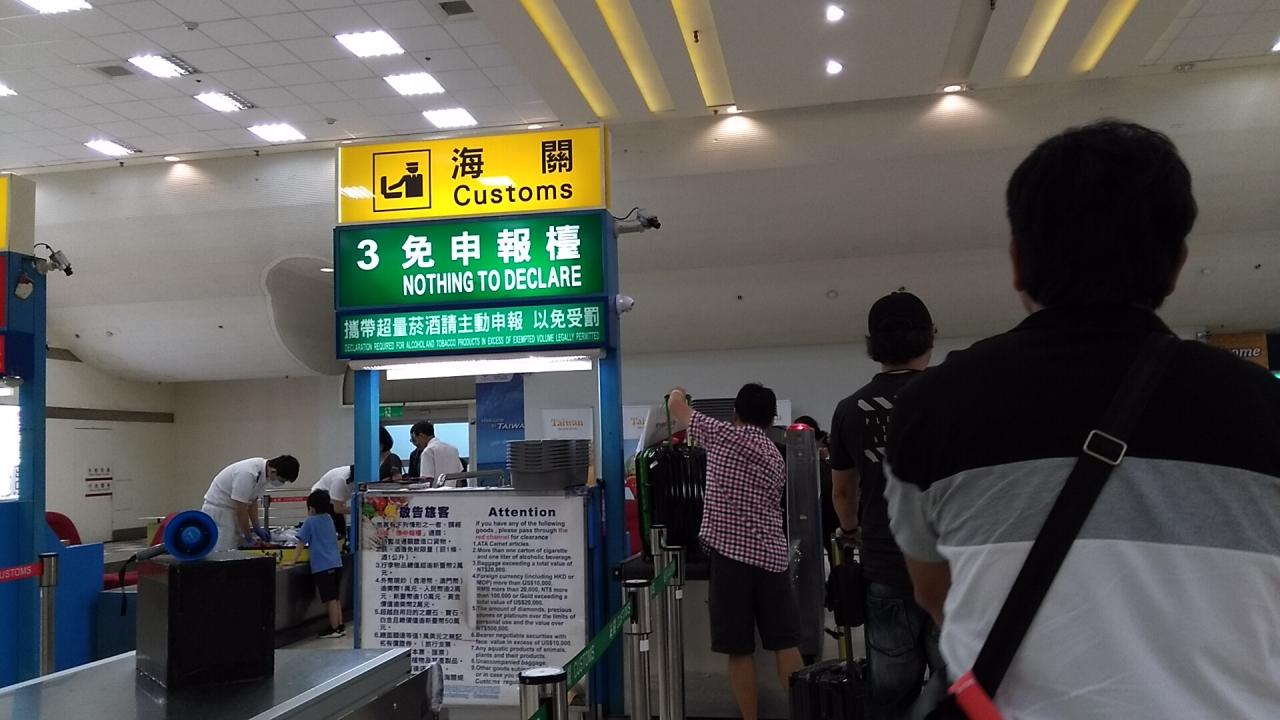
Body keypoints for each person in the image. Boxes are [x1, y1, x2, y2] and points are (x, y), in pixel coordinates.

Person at [884, 121, 1280, 718]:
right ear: (1177, 263)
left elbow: (933, 590)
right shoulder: (1264, 408)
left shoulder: (931, 409)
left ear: (1017, 262)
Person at [828, 291, 940, 719]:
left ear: (873, 345)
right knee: (953, 693)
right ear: (929, 338)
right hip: (950, 568)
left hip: (886, 565)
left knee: (891, 694)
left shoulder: (849, 409)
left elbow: (842, 493)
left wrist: (851, 530)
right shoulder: (952, 397)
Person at [667, 384, 803, 720]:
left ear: (735, 414)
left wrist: (678, 391)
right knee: (785, 643)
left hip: (731, 559)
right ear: (771, 418)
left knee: (739, 649)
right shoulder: (775, 455)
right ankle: (804, 712)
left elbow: (676, 407)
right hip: (773, 559)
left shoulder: (724, 435)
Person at [201, 455, 299, 552]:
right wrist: (248, 537)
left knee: (234, 547)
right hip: (220, 510)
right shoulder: (248, 473)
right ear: (273, 471)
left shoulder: (264, 476)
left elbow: (252, 502)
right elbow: (241, 510)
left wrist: (256, 527)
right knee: (223, 549)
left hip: (231, 511)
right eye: (282, 480)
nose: (281, 483)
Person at [286, 489, 345, 639]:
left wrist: (292, 561)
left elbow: (301, 543)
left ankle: (334, 628)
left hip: (323, 566)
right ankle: (340, 625)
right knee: (335, 597)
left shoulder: (310, 522)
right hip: (336, 563)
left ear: (311, 508)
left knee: (329, 599)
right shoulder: (329, 518)